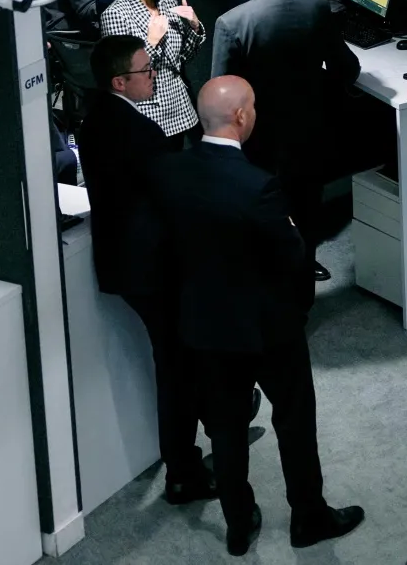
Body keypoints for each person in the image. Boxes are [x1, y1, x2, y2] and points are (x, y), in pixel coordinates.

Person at [155, 77, 364, 555]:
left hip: (206, 328)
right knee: (294, 422)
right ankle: (308, 516)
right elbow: (292, 255)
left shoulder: (171, 172)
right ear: (243, 117)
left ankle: (238, 522)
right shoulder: (259, 186)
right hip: (269, 328)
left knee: (225, 432)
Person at [78, 35, 214, 504]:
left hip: (123, 264)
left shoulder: (94, 120)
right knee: (178, 365)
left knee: (177, 359)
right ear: (120, 80)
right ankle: (183, 469)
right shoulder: (141, 134)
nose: (153, 75)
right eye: (144, 70)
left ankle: (208, 430)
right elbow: (171, 200)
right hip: (154, 268)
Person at [210, 0, 363, 282]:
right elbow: (347, 68)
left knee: (263, 224)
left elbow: (222, 96)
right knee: (307, 215)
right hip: (311, 137)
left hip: (257, 148)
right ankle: (303, 290)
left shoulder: (232, 23)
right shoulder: (316, 9)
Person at [100, 0, 205, 139]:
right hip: (146, 115)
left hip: (181, 109)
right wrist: (151, 42)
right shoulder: (116, 15)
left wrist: (194, 27)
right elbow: (122, 77)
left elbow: (183, 58)